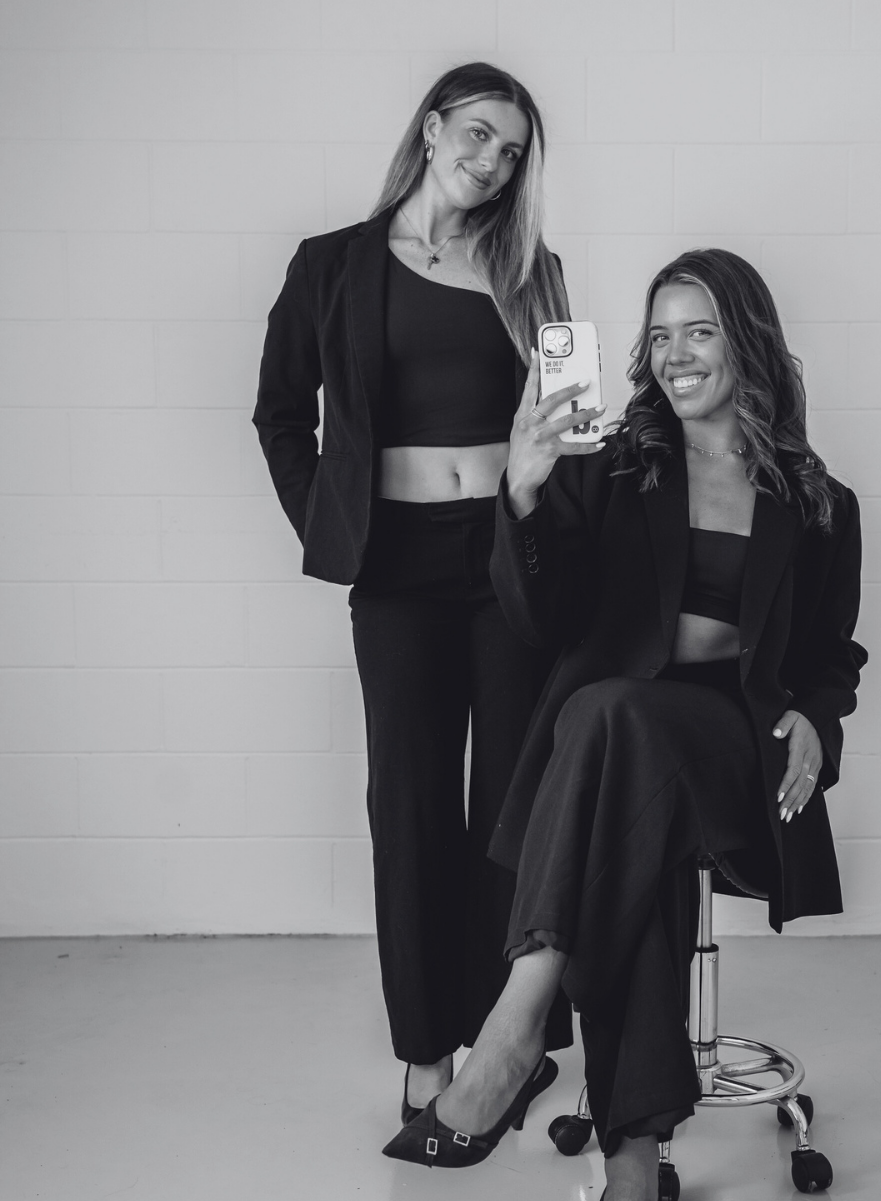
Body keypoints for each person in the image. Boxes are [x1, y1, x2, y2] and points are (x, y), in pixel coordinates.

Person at [382, 249, 867, 1201]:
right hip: (624, 766)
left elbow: (832, 662)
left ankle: (517, 1023)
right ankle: (634, 1170)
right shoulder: (616, 467)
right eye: (658, 334)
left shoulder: (822, 501)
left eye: (698, 330)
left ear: (746, 336)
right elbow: (542, 621)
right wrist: (522, 483)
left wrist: (817, 725)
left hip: (736, 758)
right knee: (619, 771)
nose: (676, 352)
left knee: (608, 721)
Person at [253, 64, 592, 1122]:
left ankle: (508, 1036)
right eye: (481, 136)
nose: (492, 164)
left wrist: (550, 516)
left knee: (508, 805)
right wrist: (336, 529)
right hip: (395, 566)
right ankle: (423, 1050)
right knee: (407, 804)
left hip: (505, 558)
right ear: (434, 126)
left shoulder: (537, 272)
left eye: (512, 154)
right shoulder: (331, 268)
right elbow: (277, 416)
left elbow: (572, 433)